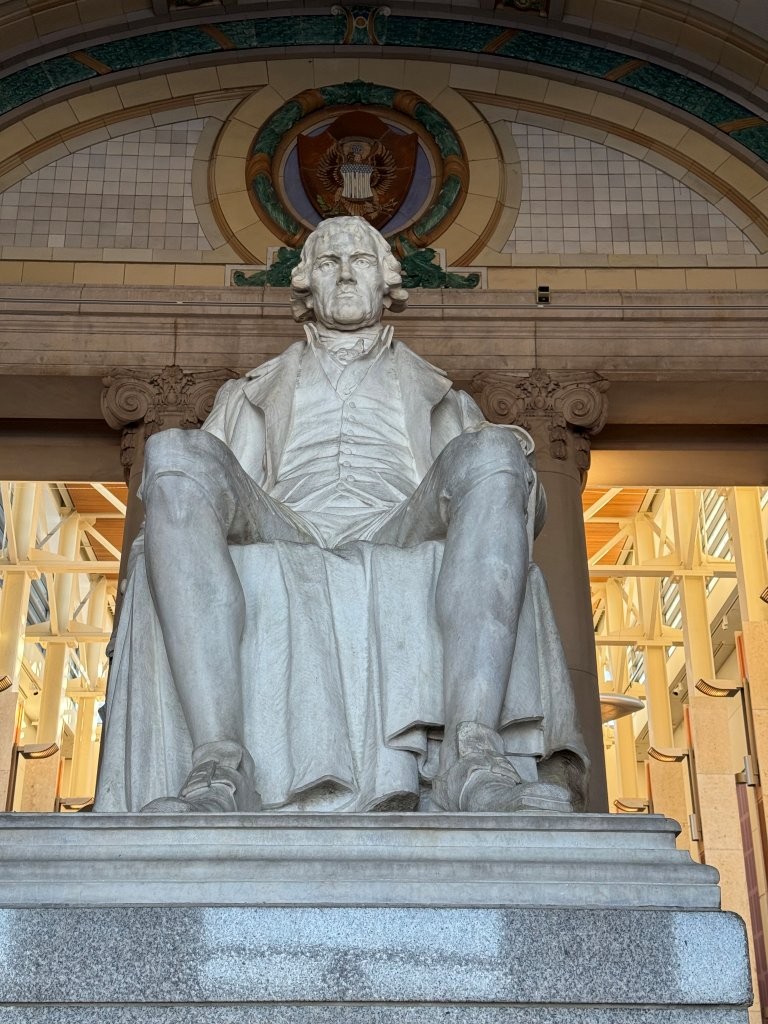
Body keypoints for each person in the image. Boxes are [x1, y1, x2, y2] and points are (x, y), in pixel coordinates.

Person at [99, 216, 588, 814]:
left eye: (361, 259)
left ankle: (472, 753)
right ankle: (218, 764)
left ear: (389, 282)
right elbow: (195, 501)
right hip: (284, 516)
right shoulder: (249, 392)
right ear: (307, 285)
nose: (348, 272)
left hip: (401, 517)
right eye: (329, 262)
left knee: (494, 451)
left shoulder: (444, 398)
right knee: (173, 452)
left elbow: (519, 507)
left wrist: (510, 474)